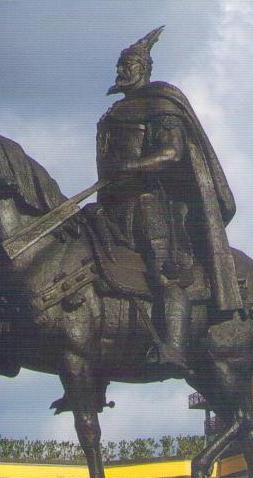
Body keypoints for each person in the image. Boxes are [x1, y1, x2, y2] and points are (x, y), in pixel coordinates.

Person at [96, 26, 242, 371]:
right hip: (113, 203)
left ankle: (174, 349)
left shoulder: (161, 104)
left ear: (144, 67)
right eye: (120, 63)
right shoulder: (113, 113)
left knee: (166, 272)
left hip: (152, 205)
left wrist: (131, 166)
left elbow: (173, 153)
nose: (122, 69)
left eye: (129, 63)